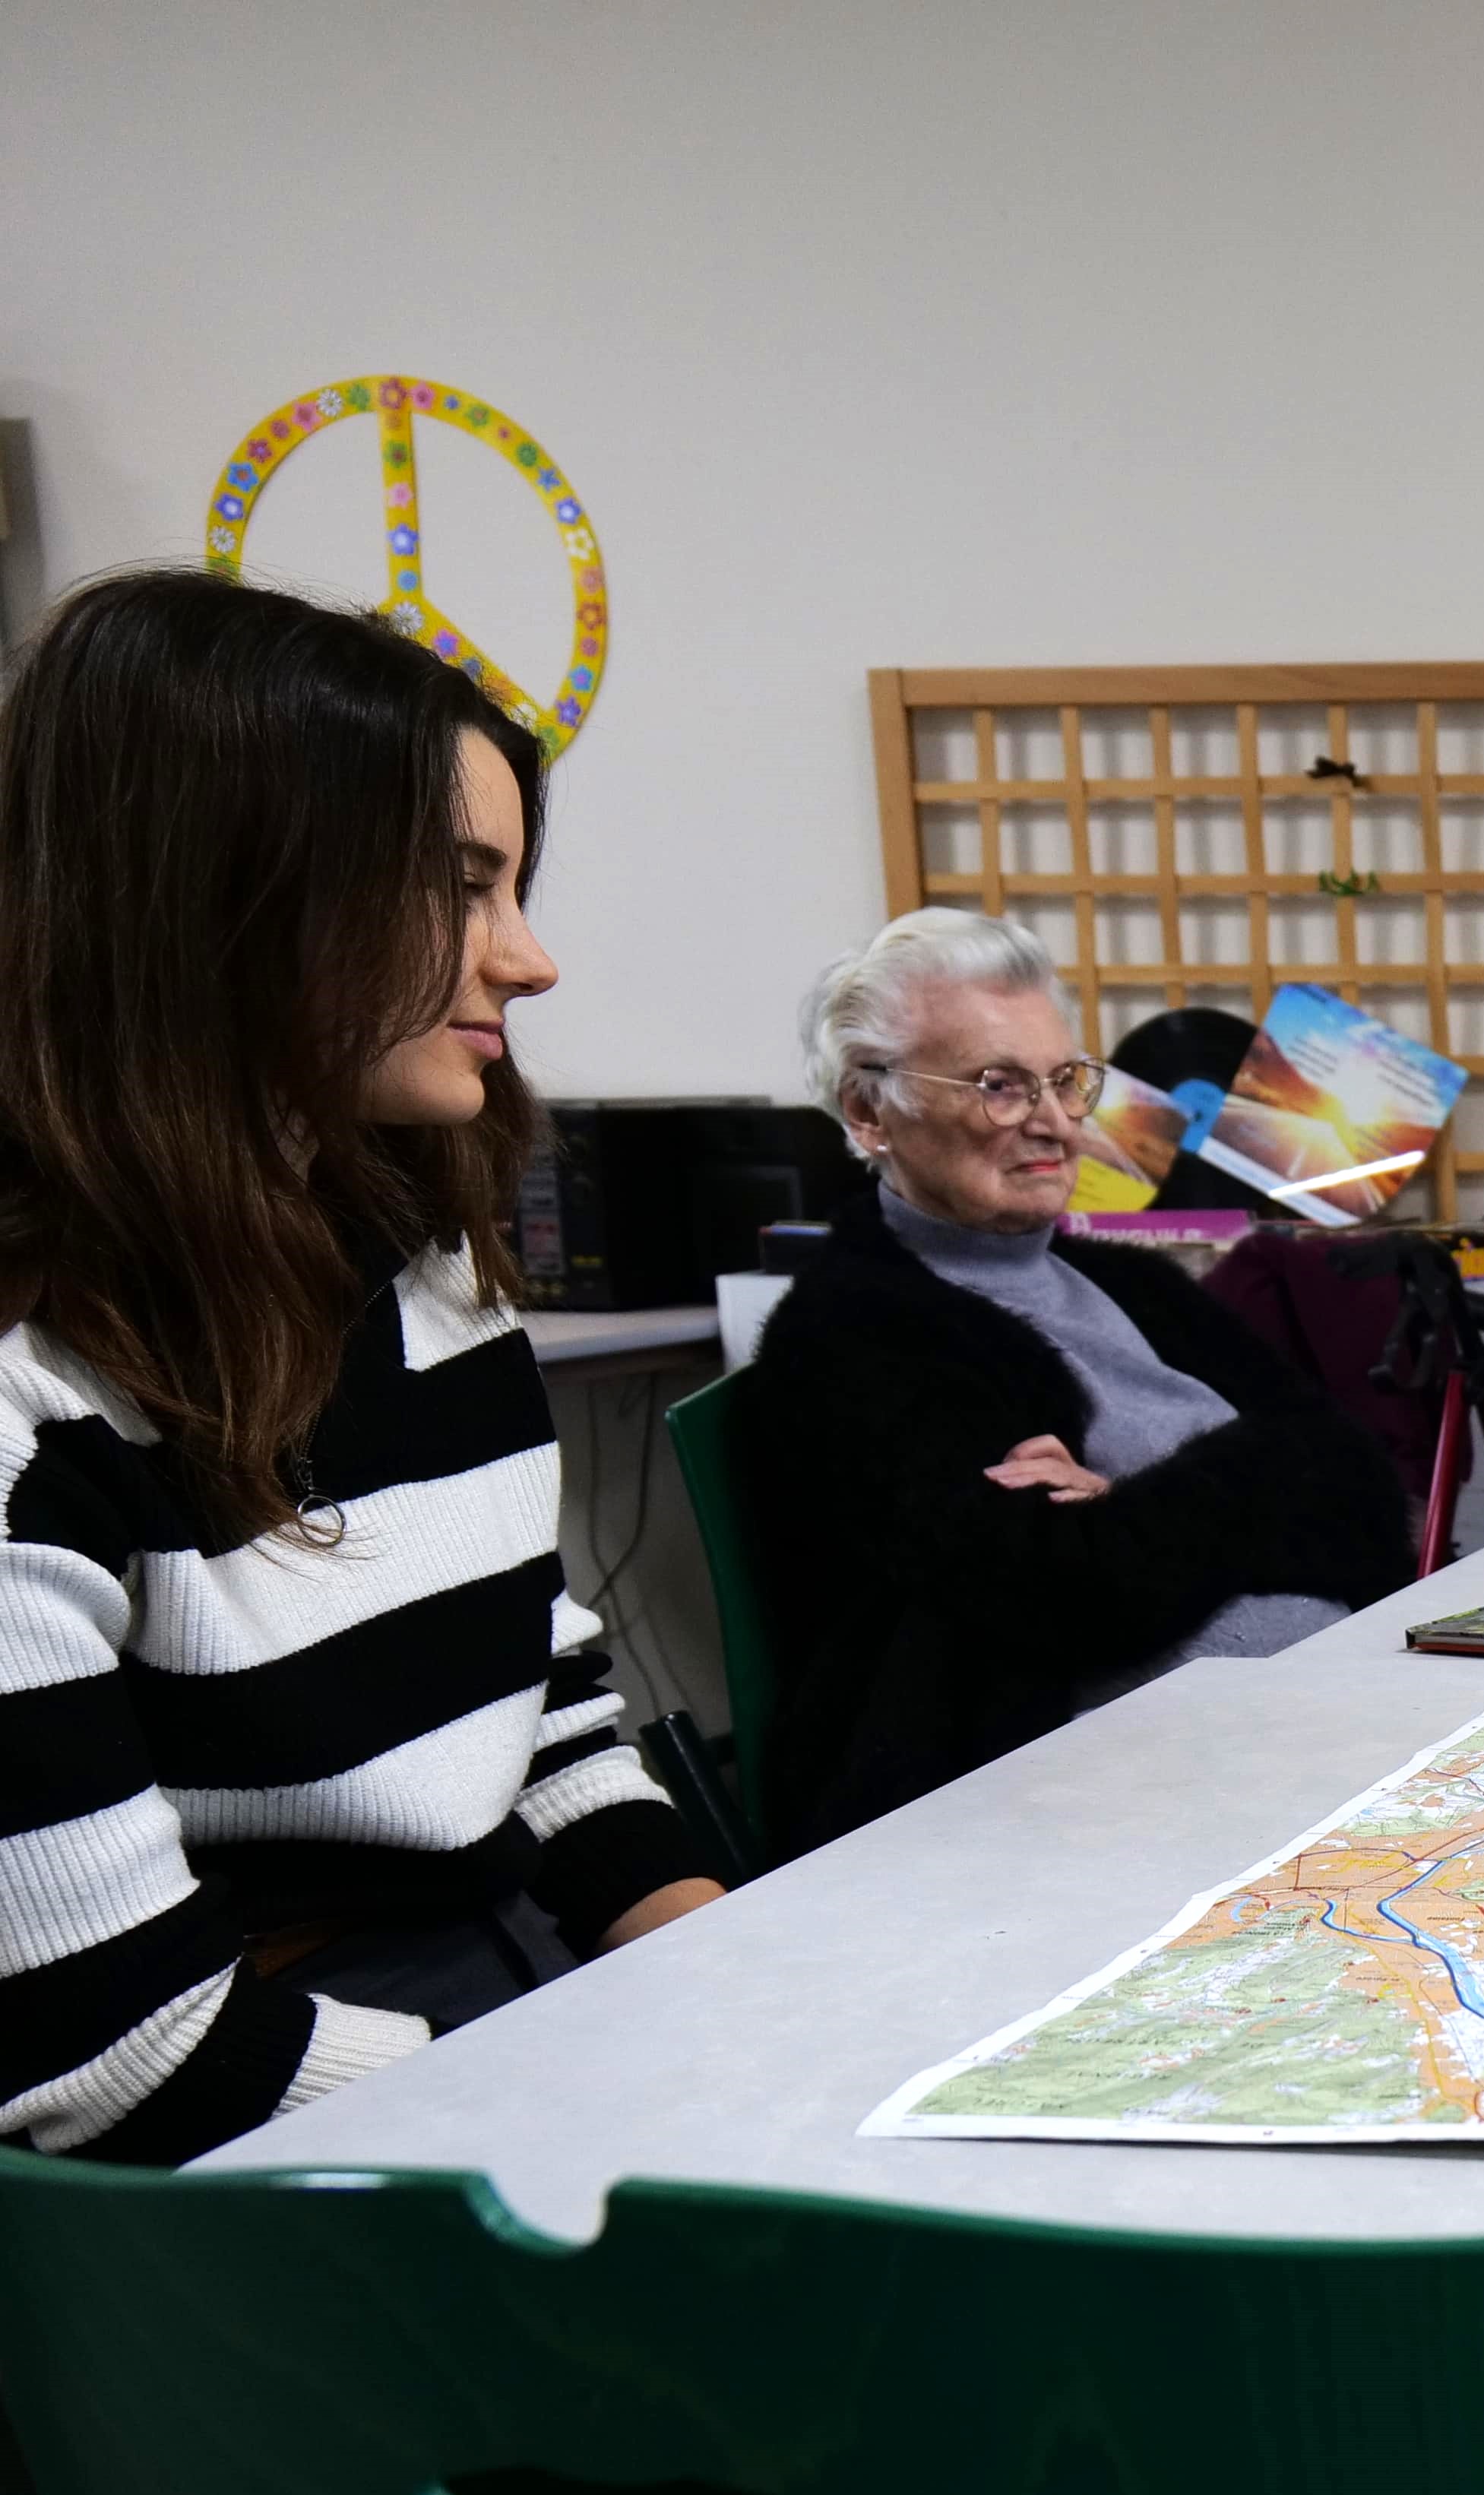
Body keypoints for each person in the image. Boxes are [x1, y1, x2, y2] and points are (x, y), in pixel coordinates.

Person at [0, 572, 723, 2161]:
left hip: (479, 1992)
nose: (527, 962)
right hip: (248, 2134)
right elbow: (117, 2056)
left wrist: (731, 1967)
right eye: (464, 887)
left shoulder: (423, 1262)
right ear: (221, 893)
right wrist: (623, 2103)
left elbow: (535, 1702)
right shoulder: (29, 1408)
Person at [732, 912, 1411, 1851]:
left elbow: (1370, 1497)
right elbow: (1068, 1599)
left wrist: (1127, 1504)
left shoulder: (1129, 1281)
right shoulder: (850, 1336)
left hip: (1310, 1763)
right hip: (1080, 1827)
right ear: (868, 1111)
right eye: (997, 1087)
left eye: (1063, 1080)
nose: (1055, 1124)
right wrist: (1253, 1484)